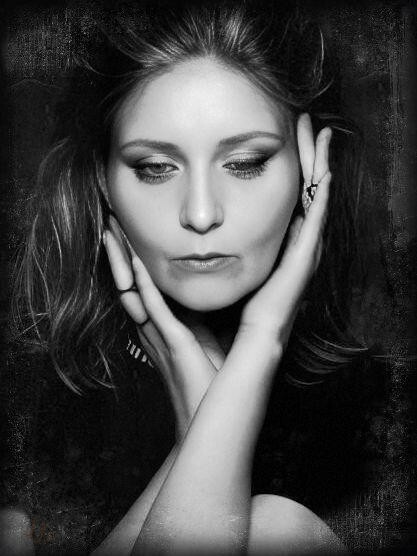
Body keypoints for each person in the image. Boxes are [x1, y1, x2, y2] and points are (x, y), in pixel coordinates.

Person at [5, 0, 373, 554]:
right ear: (103, 182)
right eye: (156, 168)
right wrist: (210, 423)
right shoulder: (25, 408)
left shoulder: (384, 419)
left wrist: (261, 340)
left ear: (308, 172)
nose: (200, 214)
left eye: (245, 162)